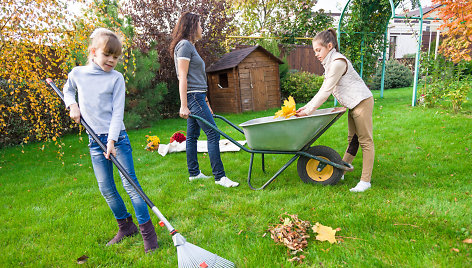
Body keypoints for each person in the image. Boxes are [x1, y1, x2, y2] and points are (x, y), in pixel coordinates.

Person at [63, 28, 158, 252]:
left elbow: (118, 113)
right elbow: (68, 91)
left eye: (116, 57)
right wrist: (72, 104)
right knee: (106, 187)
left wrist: (112, 141)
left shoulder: (116, 79)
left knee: (130, 185)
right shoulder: (77, 73)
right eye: (107, 55)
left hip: (117, 139)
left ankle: (148, 234)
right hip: (94, 140)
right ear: (93, 52)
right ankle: (125, 226)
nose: (112, 60)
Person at [296, 28, 375, 192]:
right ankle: (342, 169)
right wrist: (307, 107)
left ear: (330, 46)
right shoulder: (330, 63)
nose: (316, 54)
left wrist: (309, 110)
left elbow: (325, 91)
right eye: (314, 51)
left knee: (365, 141)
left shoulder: (338, 62)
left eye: (318, 50)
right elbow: (324, 89)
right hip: (354, 104)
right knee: (352, 139)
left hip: (362, 102)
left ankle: (365, 181)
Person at [169, 12, 239, 188]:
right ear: (192, 26)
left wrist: (206, 100)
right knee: (213, 133)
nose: (202, 28)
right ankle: (220, 177)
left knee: (192, 136)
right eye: (200, 25)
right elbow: (182, 77)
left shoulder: (189, 46)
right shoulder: (184, 45)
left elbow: (196, 77)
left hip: (198, 96)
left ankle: (194, 174)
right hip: (193, 96)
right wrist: (184, 105)